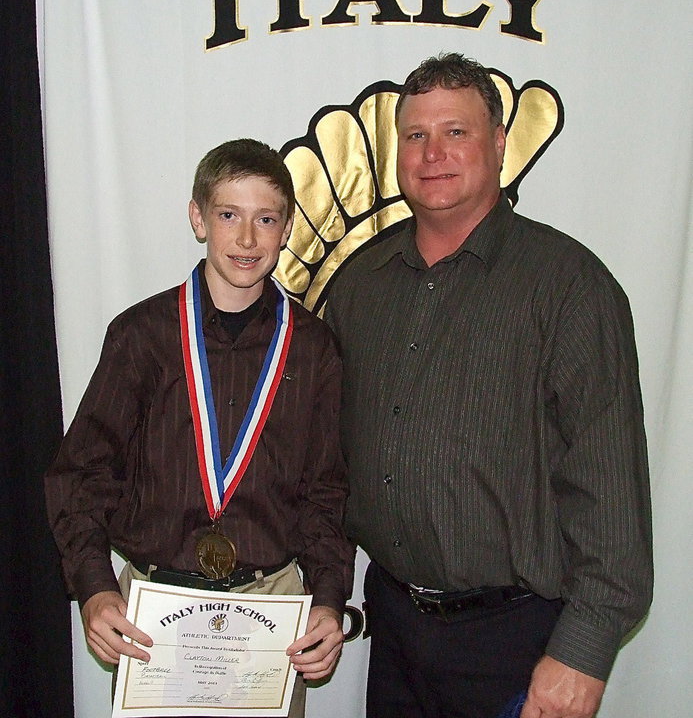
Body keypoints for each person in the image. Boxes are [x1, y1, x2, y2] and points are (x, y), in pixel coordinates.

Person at [325, 53, 653, 718]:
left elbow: (609, 493)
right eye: (415, 135)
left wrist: (581, 655)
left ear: (499, 143)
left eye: (456, 132)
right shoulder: (359, 285)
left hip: (516, 641)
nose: (432, 153)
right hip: (393, 627)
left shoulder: (566, 286)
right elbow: (329, 462)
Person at [46, 138, 354, 717]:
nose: (246, 239)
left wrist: (330, 600)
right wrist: (94, 588)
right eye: (228, 215)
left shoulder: (314, 348)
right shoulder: (142, 336)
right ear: (197, 218)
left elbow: (326, 491)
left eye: (266, 219)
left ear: (286, 228)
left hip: (271, 613)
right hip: (156, 611)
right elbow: (82, 474)